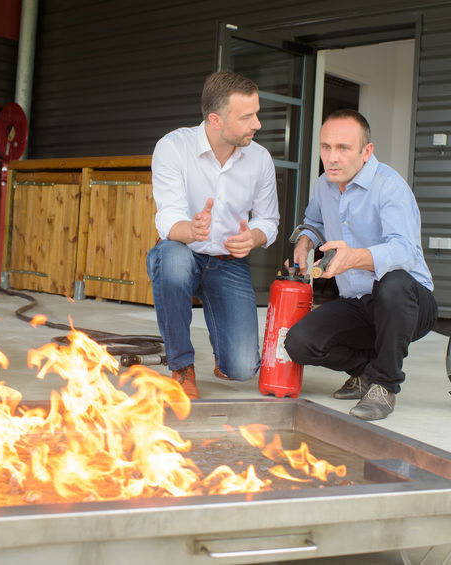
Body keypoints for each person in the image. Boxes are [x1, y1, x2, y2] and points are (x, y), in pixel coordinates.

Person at [285, 109, 438, 421]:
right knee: (299, 343)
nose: (332, 157)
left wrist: (355, 256)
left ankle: (384, 385)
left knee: (392, 282)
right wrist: (304, 241)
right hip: (358, 302)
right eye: (326, 147)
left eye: (343, 148)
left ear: (367, 151)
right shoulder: (323, 185)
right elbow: (313, 222)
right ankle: (367, 372)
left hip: (408, 304)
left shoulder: (389, 187)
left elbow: (405, 251)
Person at [146, 71, 280, 399]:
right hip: (182, 251)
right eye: (247, 116)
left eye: (256, 113)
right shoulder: (173, 148)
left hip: (227, 262)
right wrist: (190, 230)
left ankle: (224, 346)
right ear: (216, 120)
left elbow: (269, 220)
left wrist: (255, 238)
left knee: (242, 369)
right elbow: (167, 220)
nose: (257, 124)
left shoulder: (260, 159)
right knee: (173, 260)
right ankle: (181, 367)